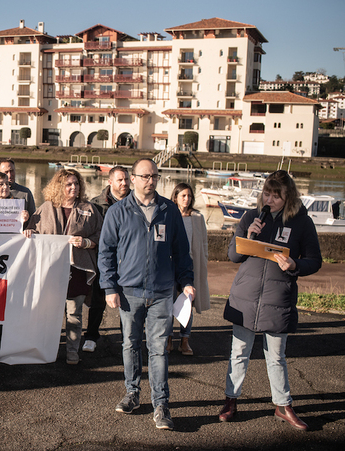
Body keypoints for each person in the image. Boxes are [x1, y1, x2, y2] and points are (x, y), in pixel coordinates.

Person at [218, 170, 321, 431]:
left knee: (276, 355)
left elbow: (315, 260)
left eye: (277, 196)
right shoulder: (251, 216)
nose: (270, 200)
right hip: (246, 296)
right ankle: (231, 400)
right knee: (239, 351)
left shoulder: (301, 223)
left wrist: (295, 263)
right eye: (267, 194)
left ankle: (283, 405)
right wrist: (248, 237)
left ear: (289, 197)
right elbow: (233, 255)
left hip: (278, 297)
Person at [98, 158, 195, 431]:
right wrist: (109, 287)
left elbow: (182, 251)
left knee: (158, 350)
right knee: (130, 344)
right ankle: (132, 393)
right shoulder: (118, 212)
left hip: (162, 292)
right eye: (144, 176)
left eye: (154, 176)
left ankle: (161, 404)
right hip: (129, 291)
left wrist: (186, 282)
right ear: (133, 178)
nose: (150, 181)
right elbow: (105, 253)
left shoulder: (170, 210)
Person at [24, 168, 102, 365]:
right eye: (69, 184)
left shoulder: (90, 209)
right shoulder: (45, 208)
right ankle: (44, 351)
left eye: (76, 184)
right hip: (51, 270)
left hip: (77, 270)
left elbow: (101, 236)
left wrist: (86, 243)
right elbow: (32, 230)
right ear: (59, 186)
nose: (73, 187)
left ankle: (72, 353)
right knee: (48, 313)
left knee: (74, 314)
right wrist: (27, 231)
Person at [82, 165, 130, 353]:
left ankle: (128, 338)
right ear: (110, 182)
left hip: (128, 261)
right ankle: (91, 336)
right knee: (98, 301)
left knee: (128, 303)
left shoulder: (136, 202)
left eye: (126, 179)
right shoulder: (96, 204)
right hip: (104, 260)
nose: (124, 183)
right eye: (120, 180)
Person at [167, 182, 210, 356]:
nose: (186, 199)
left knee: (188, 303)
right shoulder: (169, 215)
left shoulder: (197, 217)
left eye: (189, 196)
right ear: (175, 197)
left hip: (191, 266)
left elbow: (204, 242)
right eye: (183, 195)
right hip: (171, 266)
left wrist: (203, 260)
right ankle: (168, 338)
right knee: (168, 302)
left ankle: (185, 340)